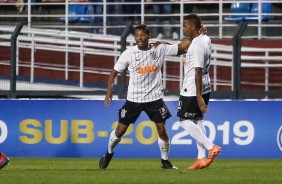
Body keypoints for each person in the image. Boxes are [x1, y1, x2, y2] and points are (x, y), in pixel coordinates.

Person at [99, 24, 191, 170]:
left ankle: (165, 161)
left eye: (142, 35)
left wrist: (194, 36)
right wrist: (109, 91)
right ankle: (109, 153)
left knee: (162, 130)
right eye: (136, 35)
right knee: (120, 131)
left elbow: (180, 48)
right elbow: (113, 73)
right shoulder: (129, 53)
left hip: (155, 98)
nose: (139, 38)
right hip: (134, 100)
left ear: (149, 35)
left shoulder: (159, 48)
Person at [177, 14, 222, 170]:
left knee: (183, 120)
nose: (183, 28)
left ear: (194, 28)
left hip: (192, 87)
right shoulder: (205, 39)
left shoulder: (196, 46)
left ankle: (211, 147)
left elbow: (197, 71)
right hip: (206, 84)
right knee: (197, 120)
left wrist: (198, 97)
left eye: (185, 26)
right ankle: (201, 158)